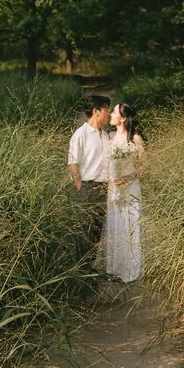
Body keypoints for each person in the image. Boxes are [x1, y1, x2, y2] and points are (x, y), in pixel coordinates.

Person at [67, 94, 111, 272]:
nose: (108, 114)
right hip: (87, 187)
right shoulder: (81, 134)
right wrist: (81, 188)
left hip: (104, 187)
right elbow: (72, 163)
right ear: (96, 111)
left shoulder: (106, 135)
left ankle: (90, 267)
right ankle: (79, 269)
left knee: (97, 230)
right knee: (84, 230)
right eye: (107, 110)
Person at [102, 102, 144, 283]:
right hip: (114, 186)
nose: (111, 114)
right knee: (115, 223)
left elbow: (144, 166)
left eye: (114, 112)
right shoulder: (110, 136)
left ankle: (130, 268)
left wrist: (127, 178)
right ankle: (115, 267)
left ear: (123, 118)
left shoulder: (134, 138)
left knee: (130, 223)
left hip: (130, 185)